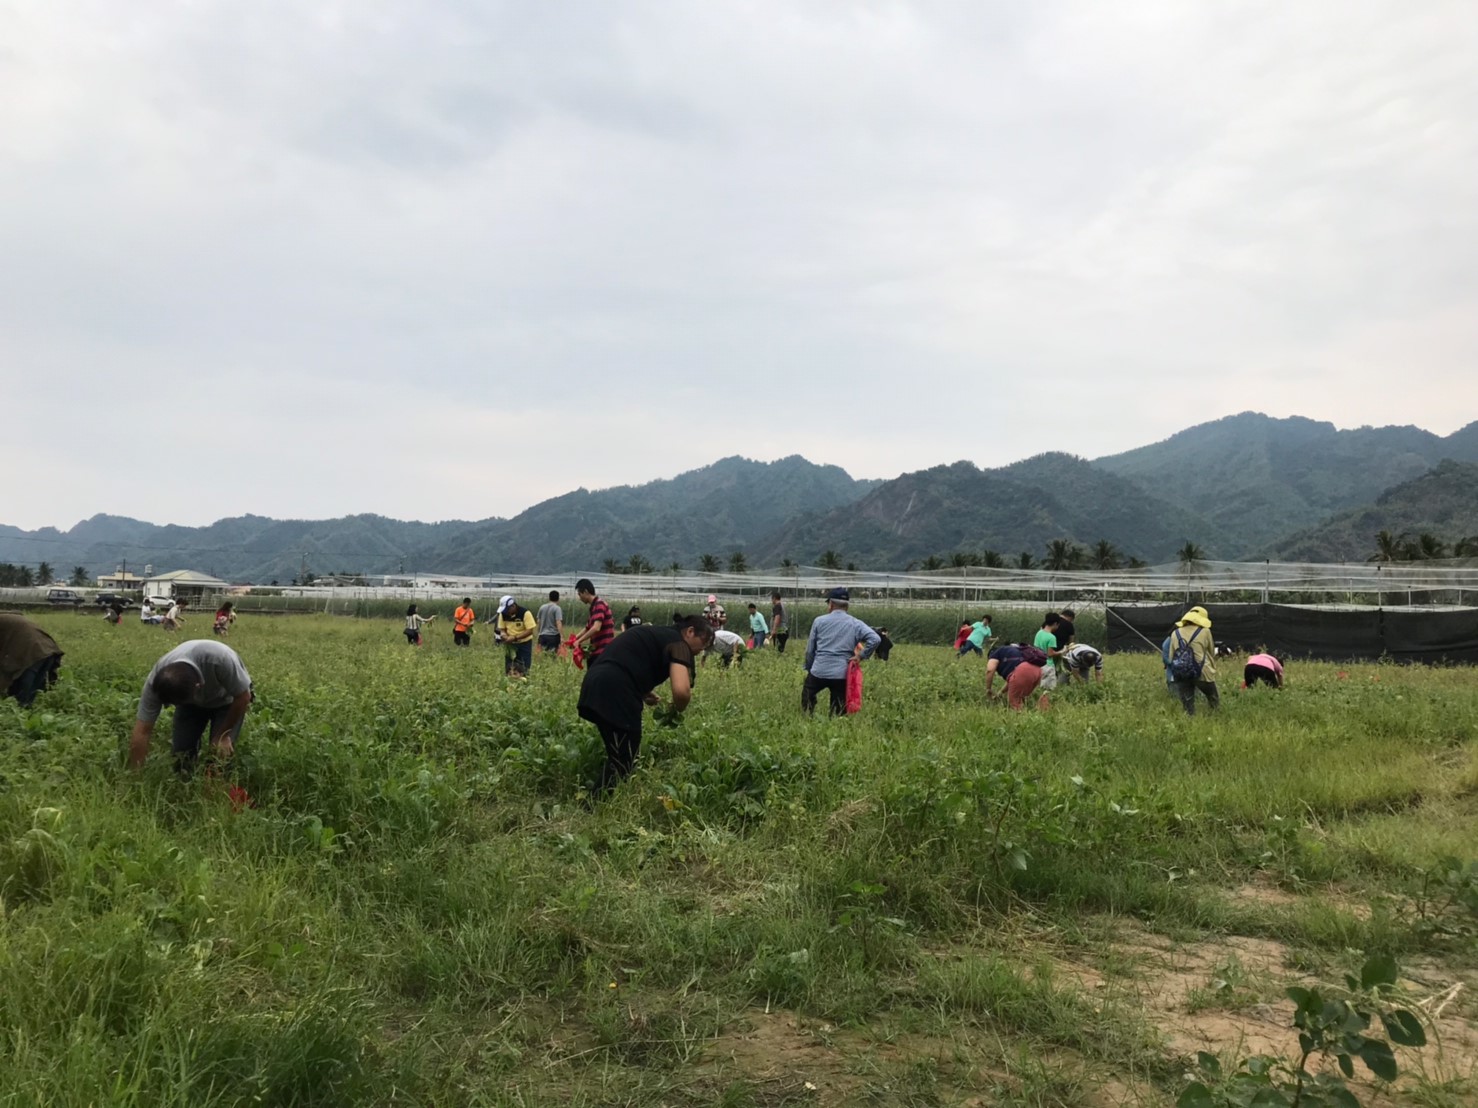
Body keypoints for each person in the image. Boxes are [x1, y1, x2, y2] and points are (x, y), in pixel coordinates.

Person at [577, 613, 714, 796]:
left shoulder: (659, 633)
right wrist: (676, 708)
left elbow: (629, 660)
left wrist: (641, 692)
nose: (701, 650)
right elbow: (681, 691)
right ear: (690, 632)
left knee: (619, 752)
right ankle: (594, 805)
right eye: (703, 643)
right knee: (624, 758)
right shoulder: (679, 644)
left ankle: (602, 800)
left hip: (596, 683)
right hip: (615, 688)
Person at [128, 639, 253, 772]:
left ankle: (215, 786)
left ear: (198, 686)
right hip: (191, 705)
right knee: (182, 756)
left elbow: (243, 697)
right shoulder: (157, 682)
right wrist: (135, 774)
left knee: (218, 754)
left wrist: (223, 735)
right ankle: (185, 782)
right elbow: (142, 730)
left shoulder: (220, 660)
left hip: (228, 701)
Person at [802, 588, 880, 716]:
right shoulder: (855, 623)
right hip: (841, 673)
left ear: (831, 604)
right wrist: (861, 655)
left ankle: (808, 717)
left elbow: (810, 650)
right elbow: (875, 638)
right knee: (838, 710)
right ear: (847, 606)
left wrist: (810, 668)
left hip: (819, 670)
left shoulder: (819, 621)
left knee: (807, 694)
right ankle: (836, 725)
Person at [0, 613, 63, 708]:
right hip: (48, 648)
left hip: (32, 651)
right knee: (32, 688)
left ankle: (22, 712)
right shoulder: (7, 617)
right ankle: (27, 711)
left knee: (23, 688)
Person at [1168, 606, 1219, 715]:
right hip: (1202, 671)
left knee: (1187, 705)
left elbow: (1171, 656)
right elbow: (1210, 650)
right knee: (1213, 699)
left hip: (1181, 672)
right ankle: (1214, 719)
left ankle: (1189, 722)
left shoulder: (1175, 633)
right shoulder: (1205, 631)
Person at [983, 643, 1049, 711]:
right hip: (1037, 671)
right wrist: (1000, 694)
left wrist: (988, 689)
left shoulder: (995, 653)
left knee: (1014, 703)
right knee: (1022, 698)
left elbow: (990, 670)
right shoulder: (1012, 650)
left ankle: (1023, 718)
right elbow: (1012, 682)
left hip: (1022, 671)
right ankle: (1041, 708)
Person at [573, 579, 614, 669]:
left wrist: (579, 641)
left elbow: (596, 628)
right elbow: (588, 628)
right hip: (596, 650)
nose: (580, 598)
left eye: (580, 594)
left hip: (603, 651)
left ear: (586, 592)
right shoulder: (593, 607)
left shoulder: (599, 604)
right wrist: (575, 638)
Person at [496, 596, 537, 677]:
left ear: (513, 606)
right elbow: (502, 629)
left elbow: (530, 630)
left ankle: (524, 683)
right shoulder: (503, 615)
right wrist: (504, 635)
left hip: (524, 644)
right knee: (509, 667)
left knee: (524, 667)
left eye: (507, 609)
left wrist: (515, 637)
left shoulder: (525, 613)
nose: (506, 612)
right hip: (510, 644)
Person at [1033, 613, 1063, 691]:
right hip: (1048, 665)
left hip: (1038, 663)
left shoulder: (1039, 633)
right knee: (1050, 689)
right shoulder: (1051, 637)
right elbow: (1050, 654)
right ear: (1055, 623)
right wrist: (1061, 652)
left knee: (1039, 686)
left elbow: (1035, 648)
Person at [536, 590, 565, 656]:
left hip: (542, 636)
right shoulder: (557, 608)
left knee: (543, 656)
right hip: (553, 636)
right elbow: (558, 622)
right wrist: (561, 636)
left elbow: (538, 622)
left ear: (549, 598)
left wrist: (538, 633)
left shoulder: (542, 607)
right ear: (558, 599)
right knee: (552, 656)